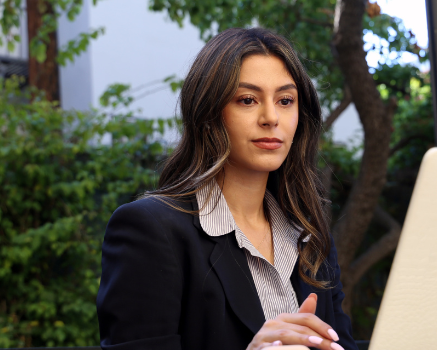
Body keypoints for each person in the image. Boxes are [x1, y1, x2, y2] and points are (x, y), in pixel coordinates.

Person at [96, 27, 356, 350]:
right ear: (209, 113)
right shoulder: (149, 230)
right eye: (248, 100)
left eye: (285, 100)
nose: (271, 117)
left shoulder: (310, 234)